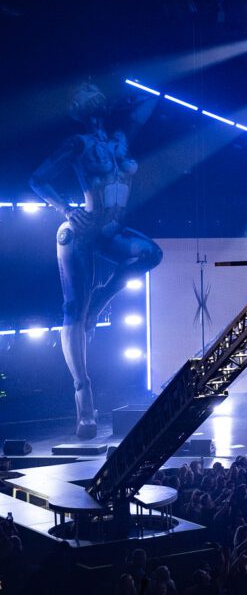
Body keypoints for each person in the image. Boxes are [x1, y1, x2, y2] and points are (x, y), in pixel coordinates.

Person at [30, 82, 163, 438]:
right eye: (87, 96)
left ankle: (103, 297)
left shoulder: (119, 138)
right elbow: (38, 179)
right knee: (75, 307)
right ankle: (83, 397)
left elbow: (151, 102)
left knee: (151, 254)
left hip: (111, 231)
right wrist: (66, 208)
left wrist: (128, 93)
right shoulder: (78, 143)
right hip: (81, 231)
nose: (95, 98)